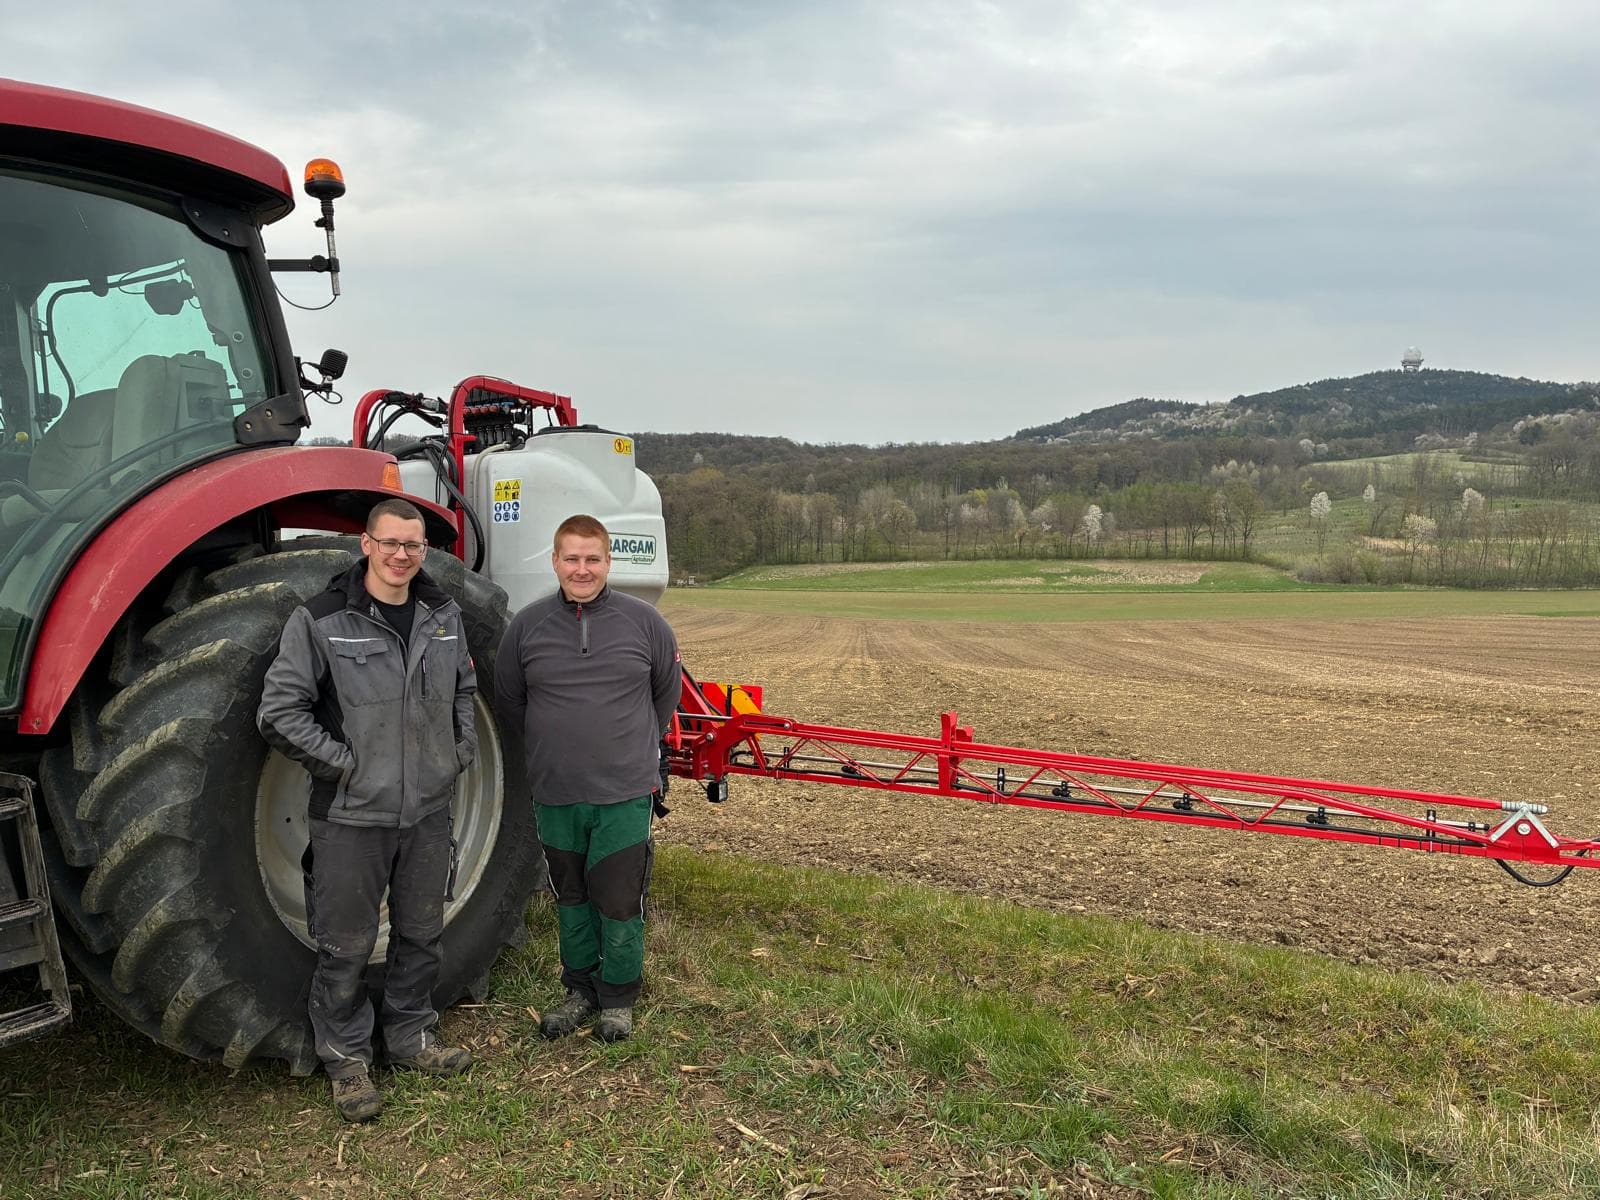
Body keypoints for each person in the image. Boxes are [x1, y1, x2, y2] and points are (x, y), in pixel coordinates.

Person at [257, 498, 477, 1122]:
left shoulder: (444, 615)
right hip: (352, 816)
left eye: (414, 545)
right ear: (366, 545)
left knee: (421, 933)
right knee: (346, 944)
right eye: (392, 543)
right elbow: (280, 712)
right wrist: (345, 765)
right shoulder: (323, 619)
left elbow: (465, 690)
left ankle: (410, 1036)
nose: (403, 555)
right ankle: (347, 1059)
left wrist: (455, 753)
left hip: (429, 810)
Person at [495, 513, 681, 1043]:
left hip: (623, 791)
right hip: (556, 791)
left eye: (592, 559)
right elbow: (512, 703)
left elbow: (662, 698)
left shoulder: (645, 624)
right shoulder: (526, 627)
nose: (582, 569)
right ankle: (579, 989)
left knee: (620, 899)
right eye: (571, 558)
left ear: (608, 561)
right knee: (570, 896)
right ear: (554, 562)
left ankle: (618, 996)